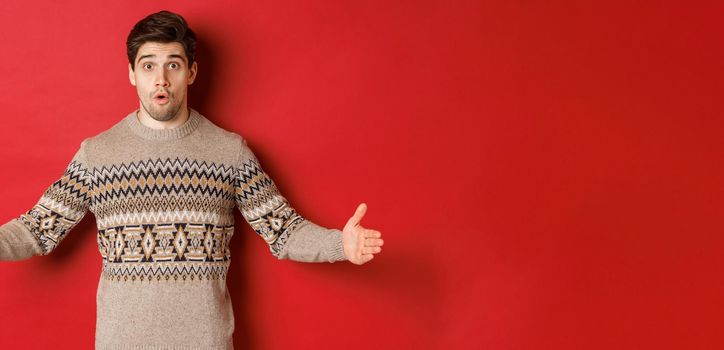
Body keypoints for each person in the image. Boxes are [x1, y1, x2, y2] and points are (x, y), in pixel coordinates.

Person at [0, 10, 383, 349]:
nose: (161, 79)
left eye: (174, 64)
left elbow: (283, 231)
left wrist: (340, 244)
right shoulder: (97, 154)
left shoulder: (228, 152)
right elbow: (37, 230)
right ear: (132, 73)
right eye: (148, 65)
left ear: (192, 72)